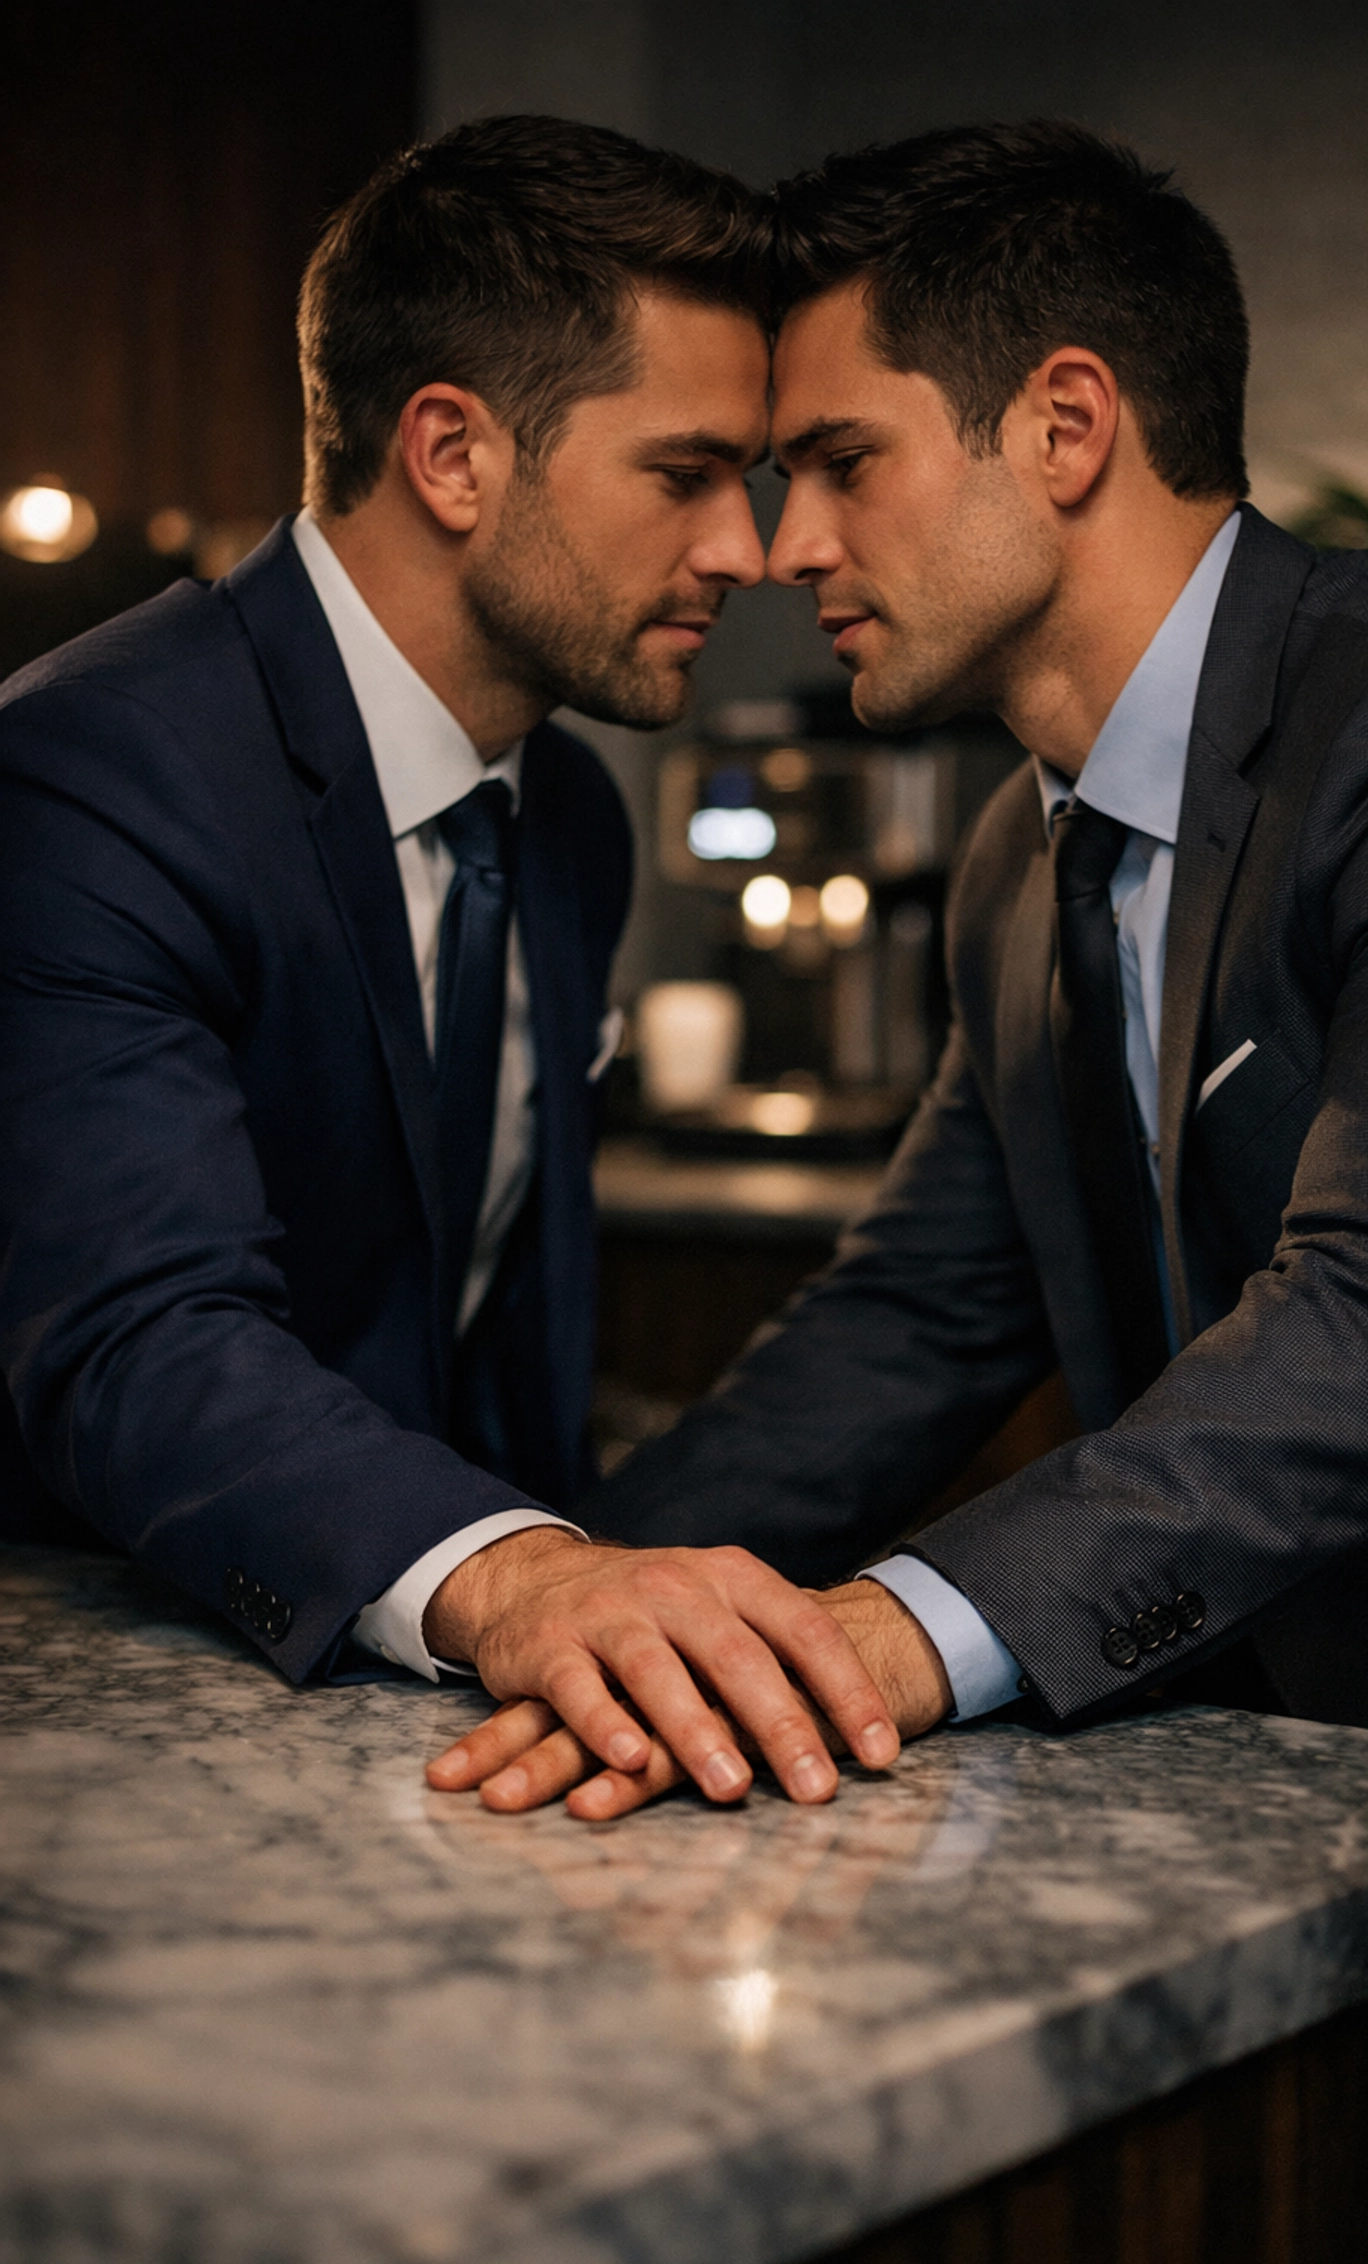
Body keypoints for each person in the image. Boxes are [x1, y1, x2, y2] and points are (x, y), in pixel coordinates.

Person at [443, 118, 1368, 1820]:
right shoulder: (1021, 859)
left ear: (1065, 424)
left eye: (839, 461)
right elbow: (914, 1318)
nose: (783, 546)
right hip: (1238, 1782)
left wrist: (894, 1635)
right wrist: (570, 1602)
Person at [0, 116, 901, 1809]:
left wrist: (589, 1594)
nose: (747, 548)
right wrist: (523, 1582)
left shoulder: (565, 810)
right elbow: (140, 1333)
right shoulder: (95, 771)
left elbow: (481, 1330)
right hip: (115, 1718)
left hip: (426, 1726)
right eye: (685, 472)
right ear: (453, 454)